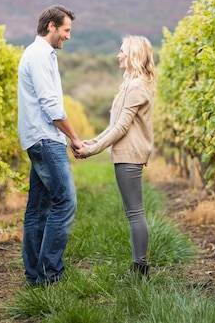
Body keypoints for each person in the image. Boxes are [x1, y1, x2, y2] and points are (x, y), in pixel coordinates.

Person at [74, 35, 156, 276]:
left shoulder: (136, 86)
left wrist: (91, 151)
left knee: (135, 212)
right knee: (133, 212)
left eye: (122, 51)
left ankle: (140, 268)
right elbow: (115, 125)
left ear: (133, 55)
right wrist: (94, 141)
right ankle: (139, 265)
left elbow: (121, 128)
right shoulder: (132, 84)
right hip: (126, 155)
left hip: (129, 155)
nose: (118, 55)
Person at [17, 4, 83, 285]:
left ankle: (34, 276)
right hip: (46, 139)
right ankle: (50, 274)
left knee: (38, 209)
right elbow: (51, 105)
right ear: (52, 26)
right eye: (66, 30)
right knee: (65, 202)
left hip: (36, 138)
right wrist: (74, 137)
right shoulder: (41, 55)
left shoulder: (36, 53)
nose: (68, 36)